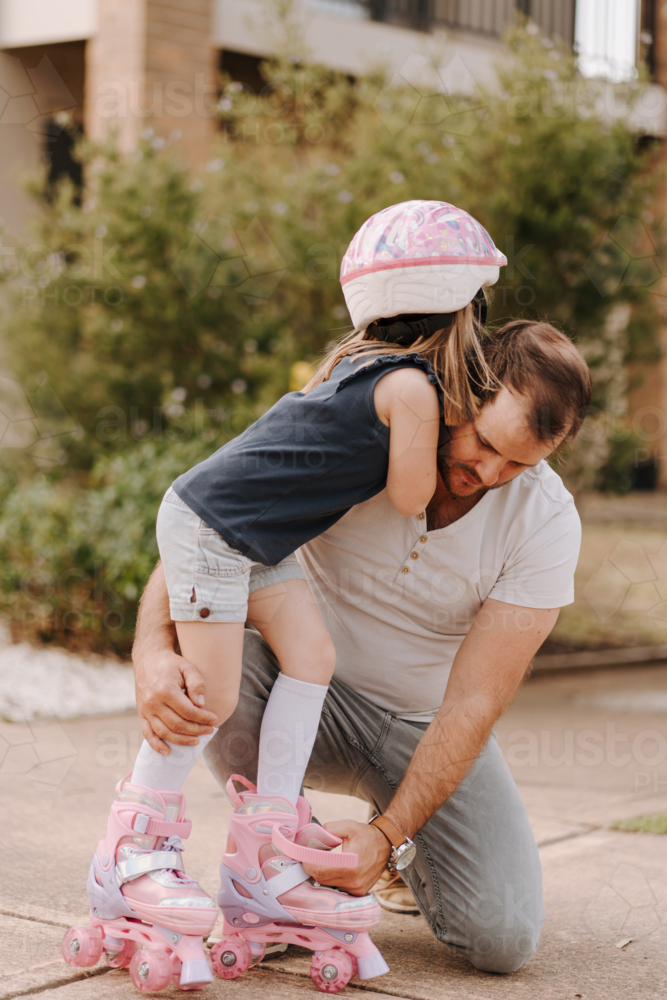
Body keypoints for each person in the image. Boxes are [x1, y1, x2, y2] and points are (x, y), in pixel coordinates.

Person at [77, 200, 510, 986]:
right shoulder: (412, 389)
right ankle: (131, 849)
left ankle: (264, 854)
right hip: (215, 531)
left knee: (311, 656)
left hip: (253, 536)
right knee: (203, 694)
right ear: (458, 313)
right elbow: (413, 498)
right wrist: (446, 425)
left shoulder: (357, 362)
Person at [134, 313, 591, 976]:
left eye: (519, 464)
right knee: (217, 676)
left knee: (502, 936)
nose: (490, 473)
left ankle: (397, 856)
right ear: (463, 394)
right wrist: (153, 648)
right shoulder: (364, 426)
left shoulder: (546, 522)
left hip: (420, 723)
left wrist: (388, 835)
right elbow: (216, 519)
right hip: (300, 694)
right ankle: (270, 871)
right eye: (486, 445)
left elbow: (472, 701)